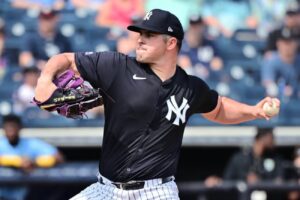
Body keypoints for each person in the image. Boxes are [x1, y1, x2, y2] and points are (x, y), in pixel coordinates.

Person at [34, 9, 280, 200]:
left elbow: (219, 109)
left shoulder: (190, 88)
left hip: (155, 192)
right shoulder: (118, 67)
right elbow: (65, 59)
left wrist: (254, 111)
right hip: (105, 190)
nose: (140, 40)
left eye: (149, 35)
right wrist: (45, 81)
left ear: (170, 43)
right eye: (140, 33)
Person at [0, 114, 64, 200]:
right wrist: (16, 162)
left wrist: (34, 162)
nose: (11, 131)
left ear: (20, 127)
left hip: (24, 194)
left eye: (13, 127)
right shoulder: (1, 144)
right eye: (8, 128)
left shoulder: (30, 143)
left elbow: (58, 157)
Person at [178, 15, 224, 82]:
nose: (196, 28)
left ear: (202, 26)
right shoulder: (182, 42)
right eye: (193, 25)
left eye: (198, 25)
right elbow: (182, 63)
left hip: (208, 79)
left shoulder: (209, 42)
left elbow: (218, 63)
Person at [261, 28, 300, 99]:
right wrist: (282, 90)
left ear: (296, 44)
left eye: (290, 42)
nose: (287, 46)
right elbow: (268, 83)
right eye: (284, 43)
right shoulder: (272, 60)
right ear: (278, 44)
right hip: (278, 101)